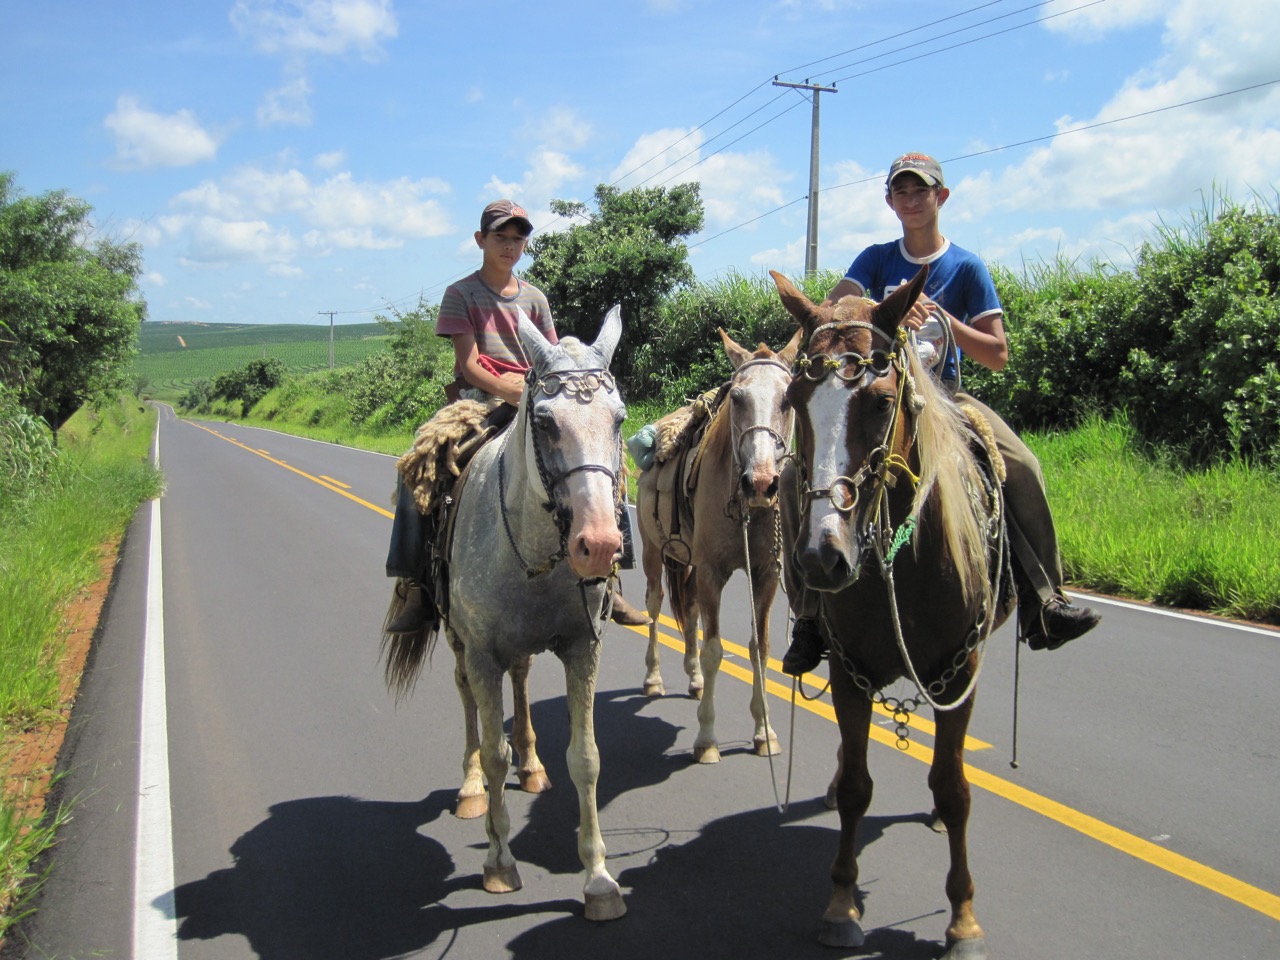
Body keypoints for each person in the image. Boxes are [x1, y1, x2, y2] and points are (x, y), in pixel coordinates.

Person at [781, 153, 1100, 676]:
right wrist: (870, 311)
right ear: (889, 201)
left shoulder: (966, 267)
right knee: (798, 472)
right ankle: (810, 614)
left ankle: (1044, 599)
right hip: (878, 400)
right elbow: (831, 312)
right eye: (901, 193)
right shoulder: (875, 260)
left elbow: (997, 354)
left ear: (941, 197)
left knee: (1021, 464)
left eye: (921, 191)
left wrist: (945, 316)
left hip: (947, 399)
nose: (911, 201)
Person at [385, 200, 647, 633]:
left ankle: (612, 575)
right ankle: (416, 584)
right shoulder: (461, 294)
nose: (510, 247)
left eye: (518, 239)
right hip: (479, 402)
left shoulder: (535, 298)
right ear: (480, 240)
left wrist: (539, 396)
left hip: (537, 398)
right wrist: (516, 392)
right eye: (500, 238)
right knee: (419, 464)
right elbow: (469, 365)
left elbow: (550, 359)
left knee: (603, 463)